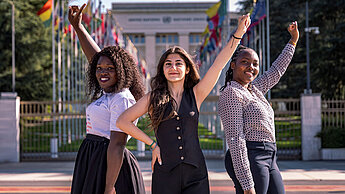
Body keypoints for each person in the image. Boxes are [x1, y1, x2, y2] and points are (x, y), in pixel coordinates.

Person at [116, 14, 251, 194]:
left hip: (196, 173)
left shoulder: (196, 94)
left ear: (187, 69)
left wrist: (239, 33)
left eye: (178, 63)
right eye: (168, 64)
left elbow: (218, 65)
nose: (173, 68)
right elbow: (122, 121)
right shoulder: (153, 98)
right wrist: (152, 145)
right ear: (163, 70)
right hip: (165, 173)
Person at [68, 4, 145, 194]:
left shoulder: (121, 98)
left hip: (109, 164)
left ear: (121, 71)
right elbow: (97, 57)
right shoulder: (109, 92)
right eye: (99, 68)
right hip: (93, 158)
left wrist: (110, 186)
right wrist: (79, 28)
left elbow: (118, 144)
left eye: (110, 69)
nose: (103, 72)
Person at [218, 21, 299, 194]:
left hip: (270, 156)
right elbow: (235, 139)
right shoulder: (232, 92)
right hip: (251, 156)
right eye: (245, 62)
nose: (251, 67)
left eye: (255, 64)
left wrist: (293, 41)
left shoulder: (255, 89)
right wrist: (247, 184)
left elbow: (276, 70)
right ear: (233, 65)